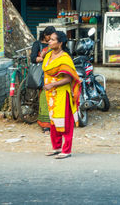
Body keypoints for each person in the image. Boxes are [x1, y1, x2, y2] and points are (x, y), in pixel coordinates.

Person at [43, 31, 81, 159]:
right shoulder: (48, 55)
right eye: (49, 39)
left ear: (60, 43)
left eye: (53, 40)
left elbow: (69, 79)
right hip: (51, 95)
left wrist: (52, 85)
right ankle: (57, 147)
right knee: (54, 122)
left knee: (66, 122)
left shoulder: (65, 58)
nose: (49, 41)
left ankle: (66, 150)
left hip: (61, 94)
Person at [30, 26, 56, 135]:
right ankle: (46, 126)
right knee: (45, 99)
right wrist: (43, 57)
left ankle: (56, 123)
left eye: (52, 37)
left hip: (55, 74)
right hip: (43, 74)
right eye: (48, 36)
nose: (50, 38)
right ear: (44, 35)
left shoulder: (56, 44)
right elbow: (32, 58)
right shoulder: (38, 44)